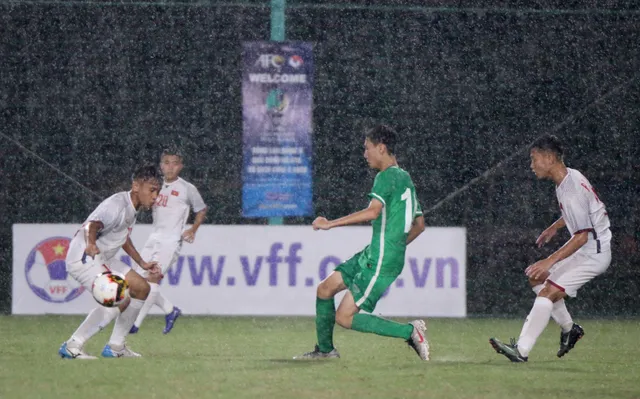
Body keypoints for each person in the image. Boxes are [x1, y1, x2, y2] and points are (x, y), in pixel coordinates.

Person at [294, 125, 430, 361]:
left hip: (380, 260)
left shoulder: (385, 177)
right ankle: (325, 351)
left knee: (344, 317)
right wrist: (396, 245)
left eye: (367, 148)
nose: (365, 154)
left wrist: (330, 224)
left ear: (381, 147)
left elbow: (372, 213)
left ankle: (410, 331)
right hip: (375, 254)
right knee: (325, 289)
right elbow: (419, 225)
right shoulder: (405, 178)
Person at [490, 135, 612, 362]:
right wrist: (555, 226)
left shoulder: (571, 188)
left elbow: (581, 238)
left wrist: (550, 261)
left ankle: (522, 351)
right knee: (536, 279)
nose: (531, 165)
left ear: (548, 158)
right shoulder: (569, 177)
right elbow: (584, 211)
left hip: (594, 253)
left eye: (534, 159)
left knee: (547, 291)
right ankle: (569, 329)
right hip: (591, 248)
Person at [58, 164, 162, 359]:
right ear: (136, 186)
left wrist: (142, 263)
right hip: (84, 257)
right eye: (152, 190)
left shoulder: (132, 208)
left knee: (141, 288)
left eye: (157, 191)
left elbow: (122, 238)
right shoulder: (117, 204)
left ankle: (116, 347)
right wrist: (90, 244)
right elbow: (92, 225)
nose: (155, 196)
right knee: (118, 297)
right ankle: (72, 345)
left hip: (103, 257)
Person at [129, 148, 207, 334]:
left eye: (174, 163)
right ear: (161, 165)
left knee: (151, 279)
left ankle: (135, 324)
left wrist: (193, 229)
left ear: (180, 166)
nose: (170, 167)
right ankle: (170, 310)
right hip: (153, 237)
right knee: (137, 281)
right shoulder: (155, 185)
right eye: (166, 163)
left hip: (171, 241)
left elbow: (201, 209)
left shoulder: (187, 189)